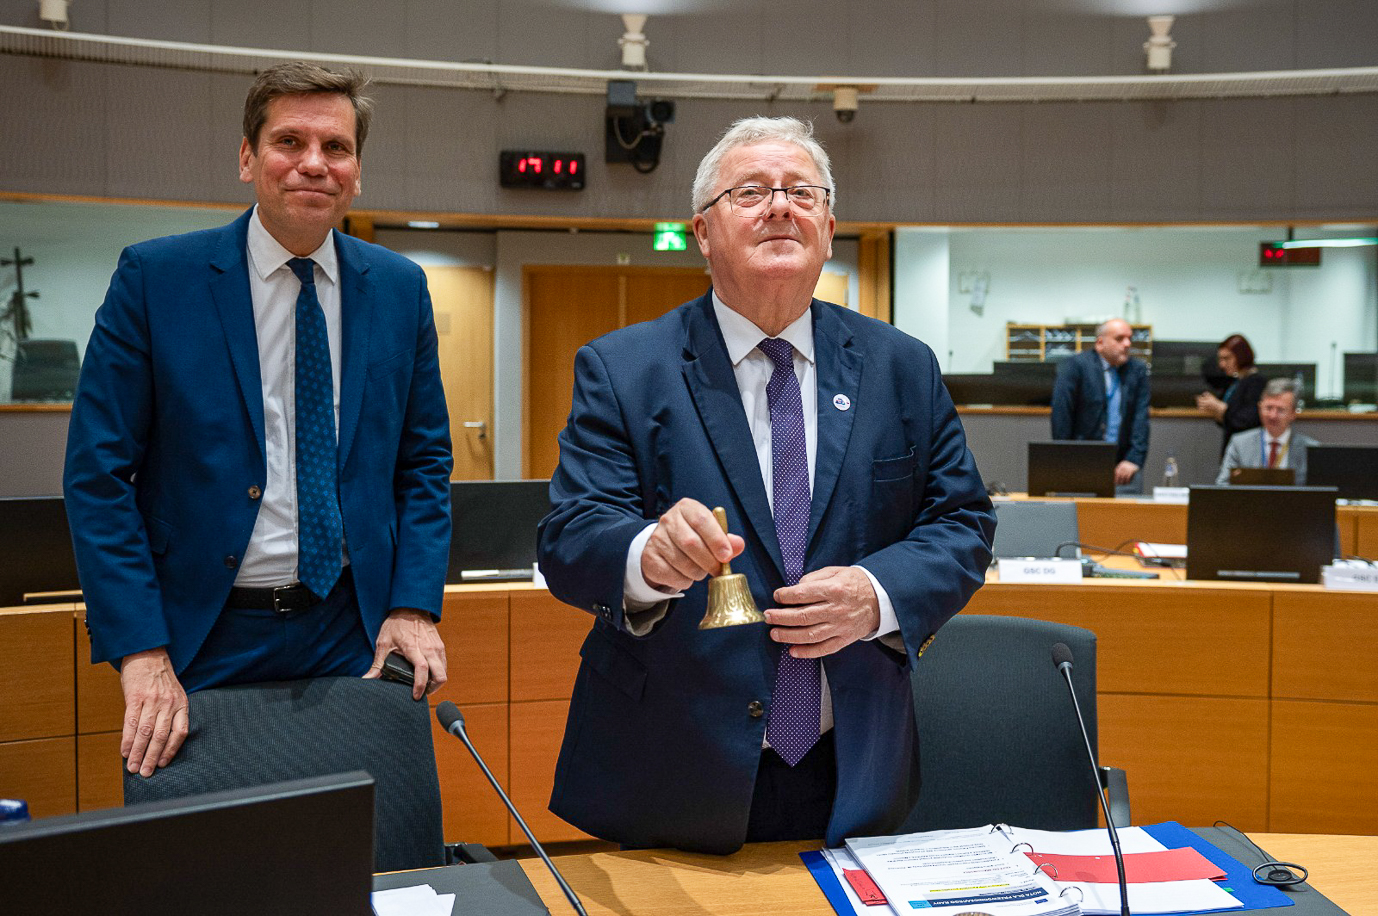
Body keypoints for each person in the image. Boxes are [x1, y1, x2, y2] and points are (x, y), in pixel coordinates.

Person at [536, 116, 995, 854]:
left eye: (801, 192)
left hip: (853, 761)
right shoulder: (625, 368)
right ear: (702, 231)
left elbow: (962, 522)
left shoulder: (901, 366)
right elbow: (570, 535)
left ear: (829, 229)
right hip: (674, 764)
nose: (781, 206)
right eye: (750, 192)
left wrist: (876, 594)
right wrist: (647, 556)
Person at [63, 62, 453, 780]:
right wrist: (141, 650)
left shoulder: (399, 289)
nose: (314, 163)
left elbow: (424, 461)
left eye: (336, 147)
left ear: (357, 173)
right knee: (208, 844)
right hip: (202, 631)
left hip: (352, 626)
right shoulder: (157, 281)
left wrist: (412, 605)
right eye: (289, 141)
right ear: (247, 158)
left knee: (366, 833)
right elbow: (98, 475)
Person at [1049, 318, 1151, 491]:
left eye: (1129, 338)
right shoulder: (1075, 366)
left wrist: (1134, 459)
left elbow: (1141, 418)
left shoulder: (1137, 370)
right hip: (1080, 463)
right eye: (1119, 339)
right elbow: (1061, 416)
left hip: (1123, 466)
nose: (1127, 344)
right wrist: (1066, 459)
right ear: (1100, 343)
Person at [1216, 378, 1317, 484]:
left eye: (1280, 410)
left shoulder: (1310, 449)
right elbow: (1223, 485)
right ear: (1260, 408)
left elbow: (1317, 489)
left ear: (1293, 413)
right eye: (1268, 408)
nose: (1273, 416)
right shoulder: (1240, 444)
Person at [1196, 333, 1266, 455]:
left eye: (1227, 358)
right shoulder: (1235, 382)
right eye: (1220, 359)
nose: (1222, 365)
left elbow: (1248, 420)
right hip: (1231, 447)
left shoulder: (1256, 383)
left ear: (1241, 356)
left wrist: (1220, 408)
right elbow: (1228, 420)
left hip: (1247, 450)